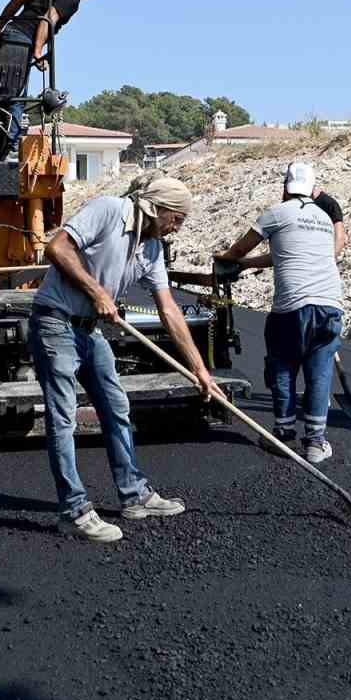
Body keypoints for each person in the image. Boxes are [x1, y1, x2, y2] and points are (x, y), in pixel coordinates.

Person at [31, 171, 225, 542]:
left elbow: (169, 310)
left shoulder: (151, 249)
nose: (177, 228)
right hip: (55, 324)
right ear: (158, 208)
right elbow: (56, 248)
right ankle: (73, 510)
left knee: (116, 406)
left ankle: (134, 495)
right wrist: (97, 292)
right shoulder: (109, 210)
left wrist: (200, 371)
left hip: (89, 331)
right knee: (62, 417)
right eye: (177, 219)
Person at [214, 161, 344, 464]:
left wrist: (227, 259)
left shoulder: (276, 213)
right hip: (330, 305)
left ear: (285, 187)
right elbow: (283, 254)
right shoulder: (324, 219)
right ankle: (315, 442)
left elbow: (238, 249)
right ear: (312, 189)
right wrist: (247, 266)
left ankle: (283, 434)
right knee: (319, 372)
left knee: (283, 367)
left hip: (291, 308)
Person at [0, 0, 106, 154]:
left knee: (2, 90)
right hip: (22, 40)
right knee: (16, 95)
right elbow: (48, 19)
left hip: (10, 35)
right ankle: (12, 148)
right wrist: (37, 51)